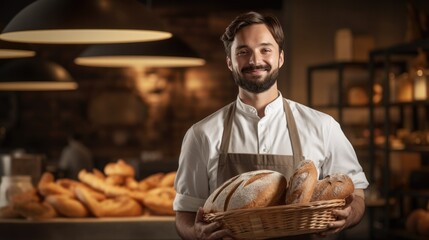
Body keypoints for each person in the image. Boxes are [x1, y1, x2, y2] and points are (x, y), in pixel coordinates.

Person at [173, 11, 369, 239]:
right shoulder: (201, 134)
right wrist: (197, 233)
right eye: (243, 52)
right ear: (230, 62)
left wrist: (349, 216)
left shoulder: (323, 126)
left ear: (280, 58)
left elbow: (357, 194)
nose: (255, 60)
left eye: (265, 49)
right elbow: (185, 215)